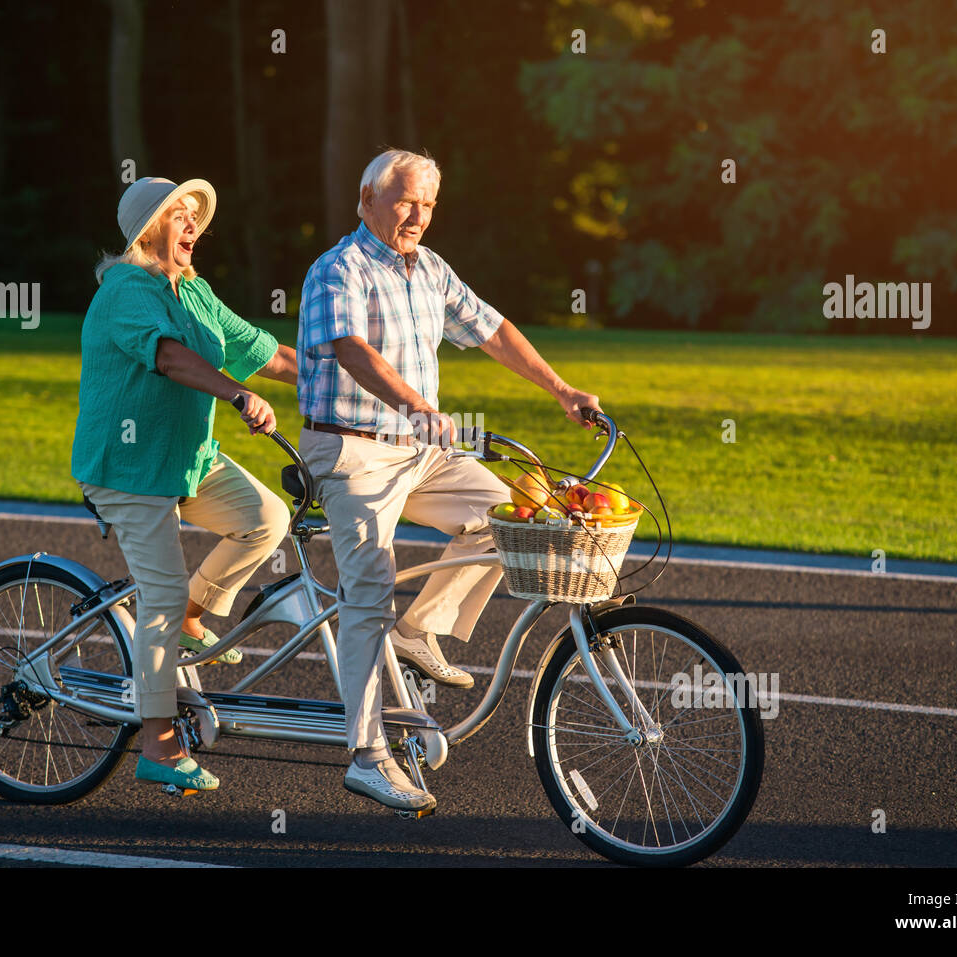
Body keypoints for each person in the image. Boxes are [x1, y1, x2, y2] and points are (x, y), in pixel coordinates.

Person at [297, 149, 602, 812]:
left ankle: (421, 628)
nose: (416, 215)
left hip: (419, 449)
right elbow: (353, 350)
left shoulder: (430, 269)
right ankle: (367, 754)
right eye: (405, 199)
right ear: (366, 198)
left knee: (513, 519)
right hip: (350, 450)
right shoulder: (336, 269)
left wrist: (560, 388)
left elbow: (492, 330)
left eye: (428, 204)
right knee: (367, 590)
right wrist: (417, 407)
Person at [72, 176, 297, 794]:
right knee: (161, 601)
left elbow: (265, 353)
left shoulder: (192, 290)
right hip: (128, 471)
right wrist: (234, 391)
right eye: (180, 214)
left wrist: (347, 383)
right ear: (149, 229)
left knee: (267, 519)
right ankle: (158, 745)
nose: (193, 223)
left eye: (196, 214)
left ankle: (197, 614)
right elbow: (168, 356)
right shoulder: (125, 289)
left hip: (186, 461)